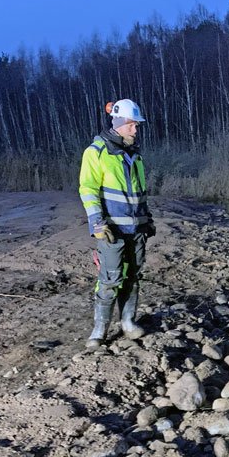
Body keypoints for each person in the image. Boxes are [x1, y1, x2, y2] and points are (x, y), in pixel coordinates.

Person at [79, 99, 155, 348]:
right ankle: (99, 329)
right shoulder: (97, 151)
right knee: (110, 278)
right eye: (133, 125)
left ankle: (128, 322)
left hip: (136, 229)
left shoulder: (135, 154)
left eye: (136, 125)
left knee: (133, 276)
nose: (136, 129)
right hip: (112, 229)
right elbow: (88, 189)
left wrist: (147, 219)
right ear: (120, 124)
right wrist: (97, 224)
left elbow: (140, 193)